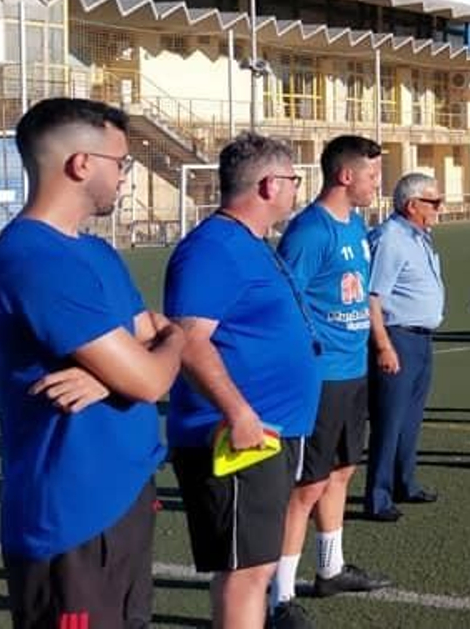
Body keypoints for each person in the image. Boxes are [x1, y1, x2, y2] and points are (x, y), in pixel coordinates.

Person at [0, 98, 185, 629]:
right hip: (71, 514)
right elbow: (150, 376)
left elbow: (152, 337)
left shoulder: (96, 254)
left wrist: (117, 369)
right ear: (81, 164)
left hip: (123, 496)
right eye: (121, 163)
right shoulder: (33, 260)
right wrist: (154, 356)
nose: (125, 177)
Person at [164, 132, 321, 629]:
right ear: (270, 185)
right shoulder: (213, 249)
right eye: (294, 180)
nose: (297, 190)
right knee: (245, 573)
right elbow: (188, 339)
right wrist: (239, 412)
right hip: (236, 435)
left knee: (256, 566)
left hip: (269, 432)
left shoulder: (248, 243)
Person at [273, 135, 392, 611]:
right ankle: (280, 593)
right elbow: (284, 300)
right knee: (307, 486)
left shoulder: (357, 224)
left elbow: (359, 293)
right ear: (346, 176)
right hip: (319, 378)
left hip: (353, 369)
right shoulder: (310, 232)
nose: (375, 185)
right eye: (372, 176)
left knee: (342, 471)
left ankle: (330, 569)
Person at [363, 172, 446, 521]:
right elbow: (372, 296)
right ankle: (378, 495)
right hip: (397, 336)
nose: (440, 208)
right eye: (434, 202)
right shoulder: (391, 238)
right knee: (389, 419)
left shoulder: (418, 236)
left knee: (410, 418)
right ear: (412, 205)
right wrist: (383, 345)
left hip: (420, 338)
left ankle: (404, 482)